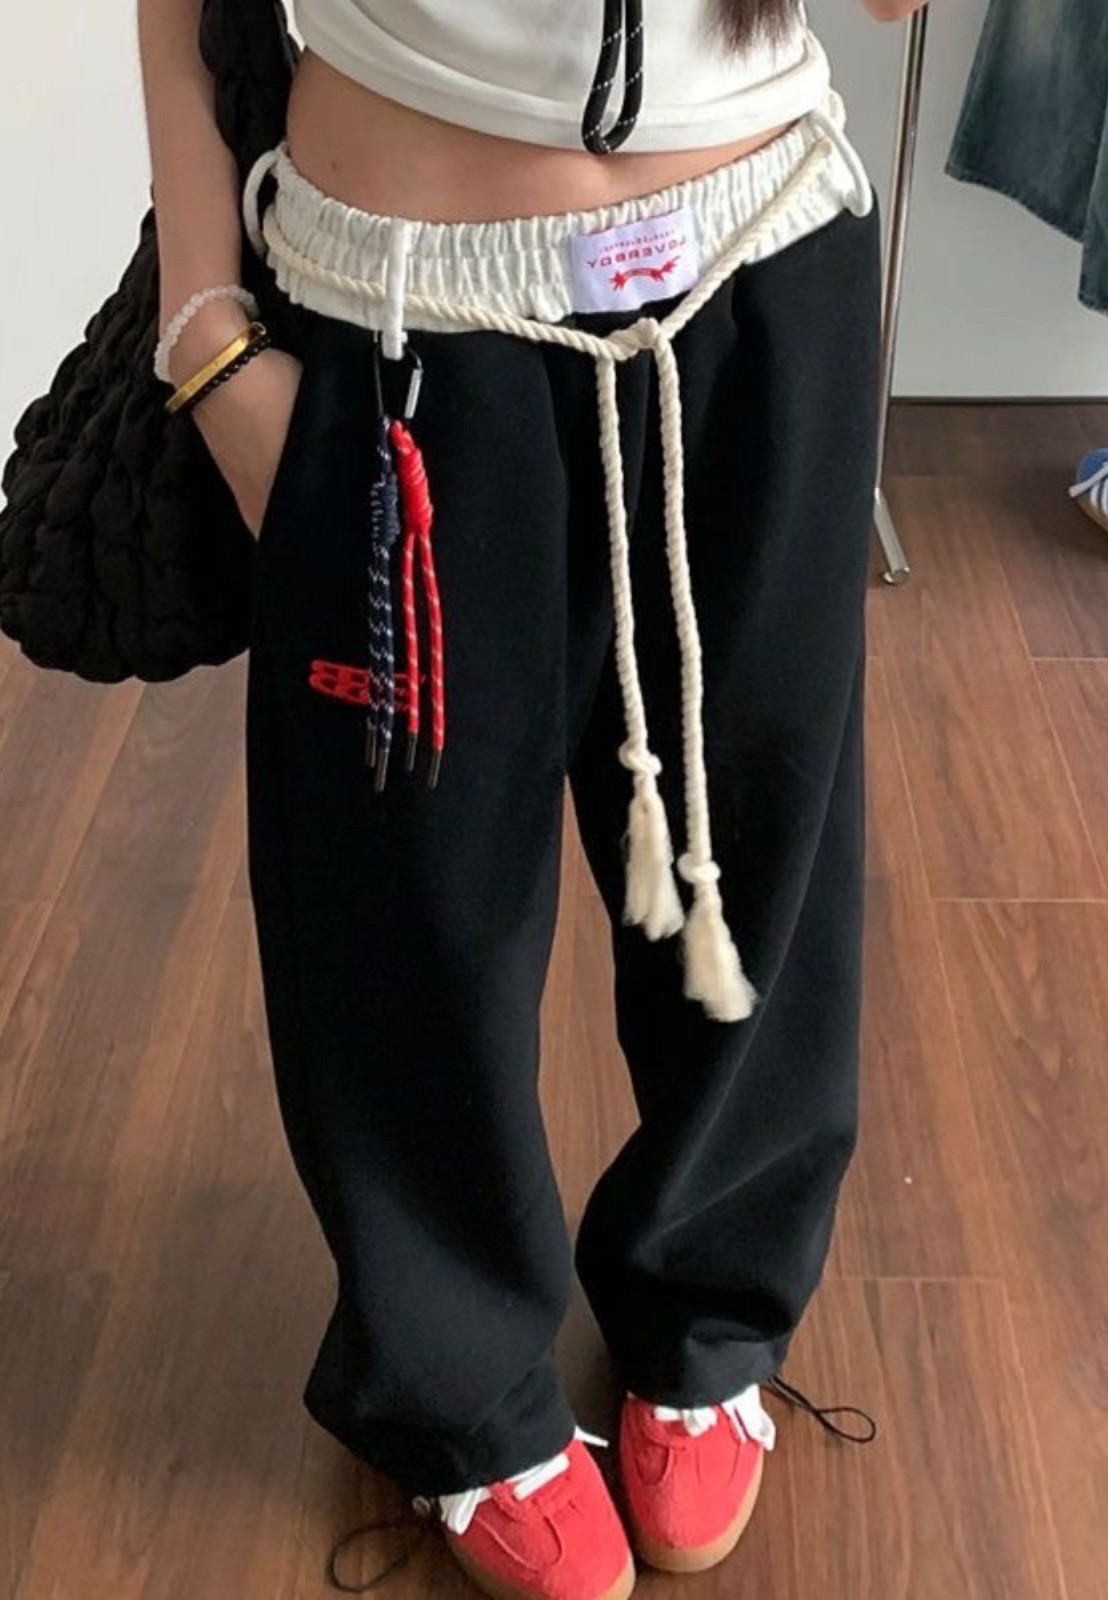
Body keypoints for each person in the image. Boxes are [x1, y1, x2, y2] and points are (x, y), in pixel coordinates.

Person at [140, 2, 923, 1596]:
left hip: (760, 257)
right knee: (402, 899)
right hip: (403, 308)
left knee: (748, 853)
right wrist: (203, 322)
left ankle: (710, 1313)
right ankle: (460, 1389)